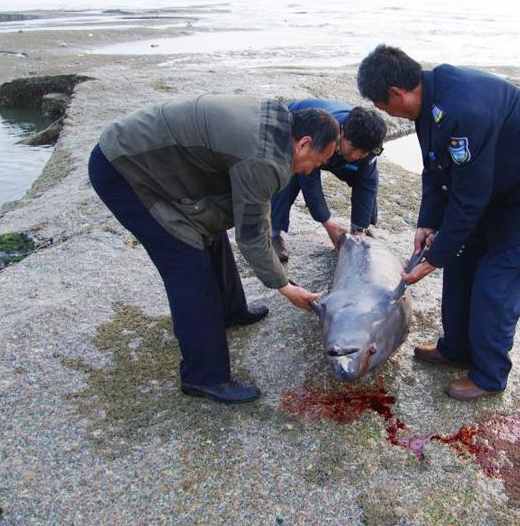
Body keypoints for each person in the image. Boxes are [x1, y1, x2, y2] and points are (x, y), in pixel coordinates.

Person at [357, 45, 520, 401]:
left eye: (382, 107)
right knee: (463, 256)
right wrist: (428, 223)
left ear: (396, 93)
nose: (385, 113)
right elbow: (436, 168)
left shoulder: (465, 109)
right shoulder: (430, 101)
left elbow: (469, 199)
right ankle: (456, 348)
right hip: (501, 182)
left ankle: (489, 375)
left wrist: (435, 257)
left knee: (496, 278)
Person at [88, 94, 339, 404]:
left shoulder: (278, 121)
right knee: (188, 265)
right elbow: (252, 234)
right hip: (125, 168)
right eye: (319, 160)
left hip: (157, 160)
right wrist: (285, 286)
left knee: (209, 231)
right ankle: (203, 376)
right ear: (302, 144)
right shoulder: (264, 158)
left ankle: (231, 311)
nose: (313, 169)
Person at [270, 99, 386, 262]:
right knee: (293, 171)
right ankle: (273, 233)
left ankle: (361, 230)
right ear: (343, 132)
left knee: (366, 176)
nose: (355, 156)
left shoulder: (371, 144)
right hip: (297, 133)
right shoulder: (324, 131)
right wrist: (326, 221)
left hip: (337, 153)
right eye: (353, 149)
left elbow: (367, 183)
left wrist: (359, 228)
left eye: (362, 153)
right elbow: (308, 179)